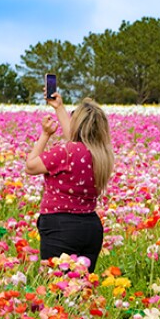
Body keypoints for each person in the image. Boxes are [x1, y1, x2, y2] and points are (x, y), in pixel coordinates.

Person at [25, 93, 114, 273]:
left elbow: (31, 166)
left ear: (77, 125)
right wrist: (59, 107)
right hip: (91, 228)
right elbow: (75, 139)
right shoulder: (103, 154)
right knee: (80, 291)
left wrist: (45, 134)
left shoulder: (66, 152)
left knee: (56, 290)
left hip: (60, 226)